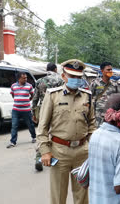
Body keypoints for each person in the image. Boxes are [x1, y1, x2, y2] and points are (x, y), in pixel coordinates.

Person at [37, 59, 96, 204]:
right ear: (63, 76)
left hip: (82, 152)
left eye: (78, 77)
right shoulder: (53, 95)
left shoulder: (86, 96)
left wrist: (94, 148)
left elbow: (92, 125)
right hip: (59, 151)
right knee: (58, 195)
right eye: (72, 76)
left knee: (82, 196)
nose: (75, 80)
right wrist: (44, 150)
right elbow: (42, 127)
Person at [31, 62, 64, 171]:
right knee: (57, 132)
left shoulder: (40, 81)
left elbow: (35, 98)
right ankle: (56, 155)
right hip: (57, 110)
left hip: (42, 109)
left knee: (42, 132)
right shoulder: (60, 80)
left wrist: (33, 113)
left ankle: (39, 156)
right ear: (55, 69)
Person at [6, 72, 36, 148]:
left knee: (30, 125)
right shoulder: (13, 86)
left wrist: (27, 101)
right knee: (14, 125)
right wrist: (18, 101)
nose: (26, 79)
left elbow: (32, 95)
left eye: (26, 78)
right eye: (24, 78)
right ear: (19, 78)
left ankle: (34, 137)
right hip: (16, 110)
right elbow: (13, 95)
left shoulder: (29, 86)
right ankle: (13, 142)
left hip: (26, 110)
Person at [90, 62, 119, 127]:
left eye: (111, 69)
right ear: (102, 71)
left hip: (111, 115)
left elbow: (118, 99)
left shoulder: (114, 84)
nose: (110, 71)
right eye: (108, 70)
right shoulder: (95, 83)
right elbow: (89, 97)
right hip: (98, 115)